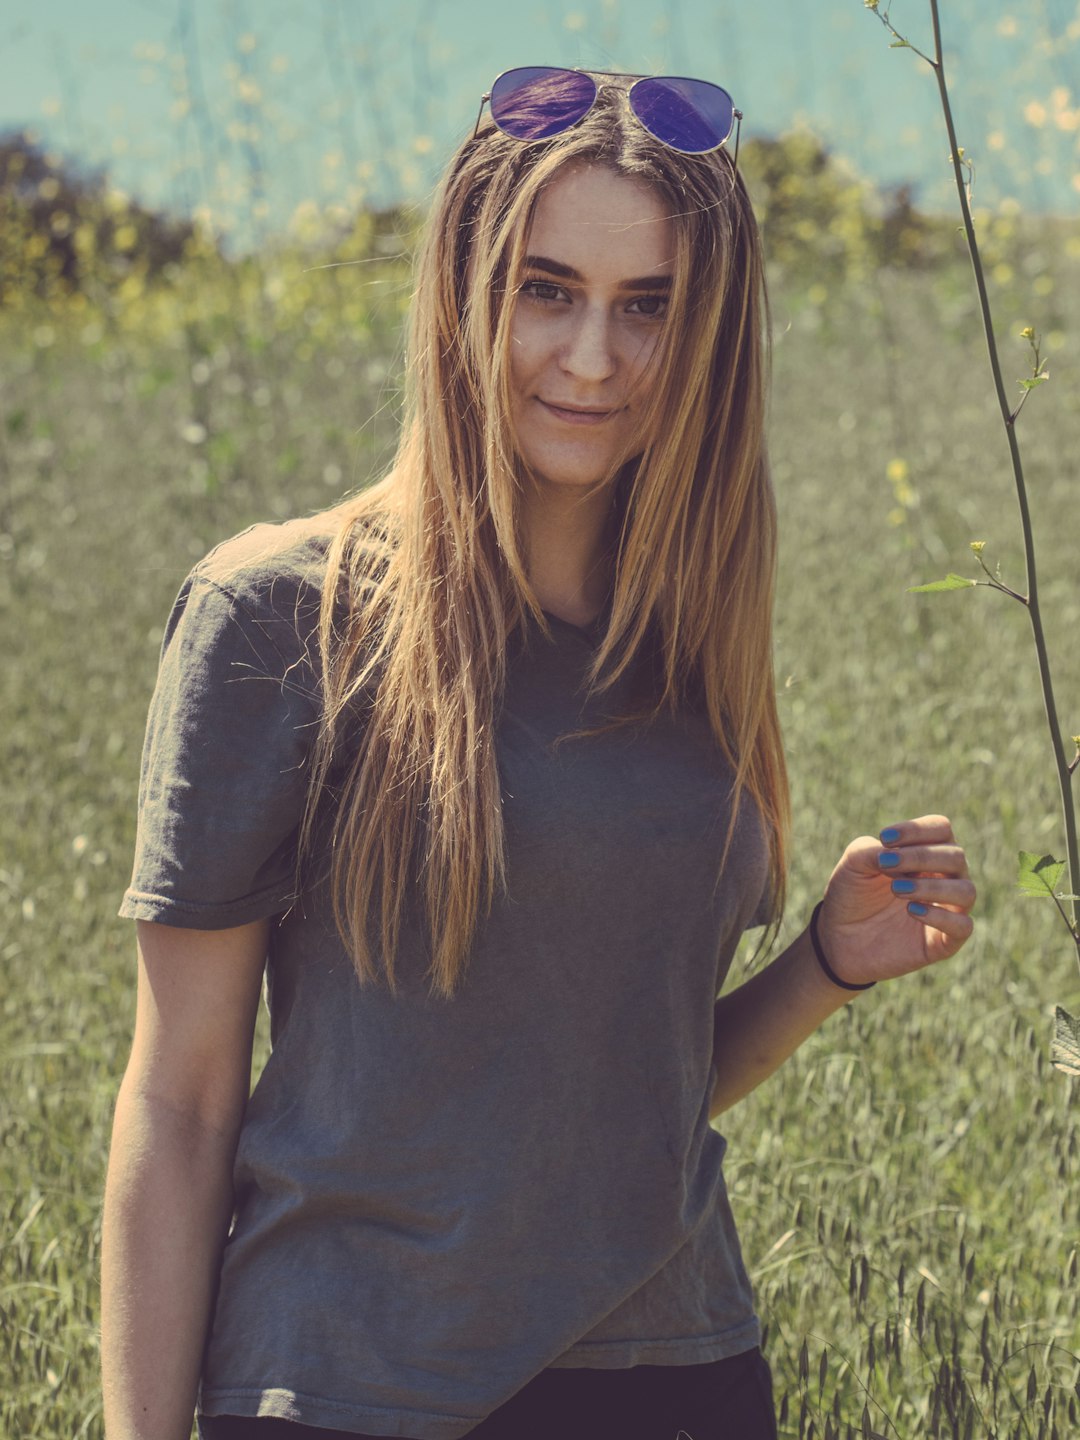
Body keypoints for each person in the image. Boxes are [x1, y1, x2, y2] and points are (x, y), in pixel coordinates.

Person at [100, 67, 975, 1440]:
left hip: (683, 1382)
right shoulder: (278, 616)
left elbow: (618, 1086)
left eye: (648, 307)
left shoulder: (691, 639)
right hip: (348, 1389)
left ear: (707, 336)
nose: (591, 360)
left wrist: (819, 969)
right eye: (545, 290)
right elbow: (182, 1095)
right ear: (463, 291)